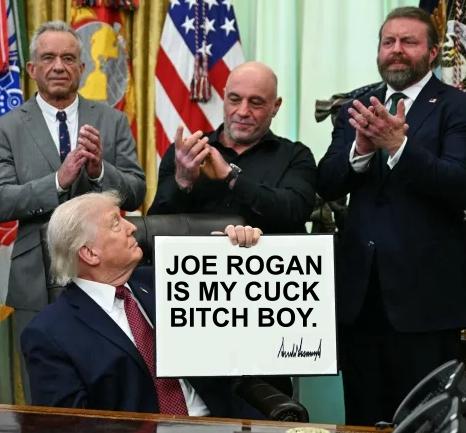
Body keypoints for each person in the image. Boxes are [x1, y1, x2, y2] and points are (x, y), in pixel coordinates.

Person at [317, 7, 466, 426]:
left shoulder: (456, 106)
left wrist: (399, 147)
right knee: (362, 419)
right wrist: (361, 150)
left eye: (409, 42)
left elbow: (459, 183)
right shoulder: (358, 104)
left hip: (426, 304)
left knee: (422, 422)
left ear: (433, 53)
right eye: (389, 42)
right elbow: (327, 182)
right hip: (360, 302)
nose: (396, 50)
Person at [21, 191, 266, 416]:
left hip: (221, 421)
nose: (132, 228)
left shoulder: (171, 279)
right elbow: (70, 425)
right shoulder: (48, 333)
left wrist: (231, 258)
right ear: (90, 253)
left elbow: (244, 320)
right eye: (116, 223)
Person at [0, 20, 145, 376]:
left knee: (109, 377)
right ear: (32, 69)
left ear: (82, 67)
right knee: (44, 384)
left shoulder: (112, 120)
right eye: (48, 58)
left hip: (106, 275)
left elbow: (137, 191)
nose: (59, 66)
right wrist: (56, 182)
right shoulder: (7, 127)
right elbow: (2, 200)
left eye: (68, 58)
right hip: (34, 278)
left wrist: (99, 171)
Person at [149, 61, 316, 234]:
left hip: (269, 251)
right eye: (234, 100)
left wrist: (231, 177)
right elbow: (155, 226)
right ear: (224, 97)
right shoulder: (187, 153)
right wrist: (182, 181)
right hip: (197, 252)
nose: (242, 112)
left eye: (256, 103)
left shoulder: (295, 156)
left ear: (275, 106)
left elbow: (296, 212)